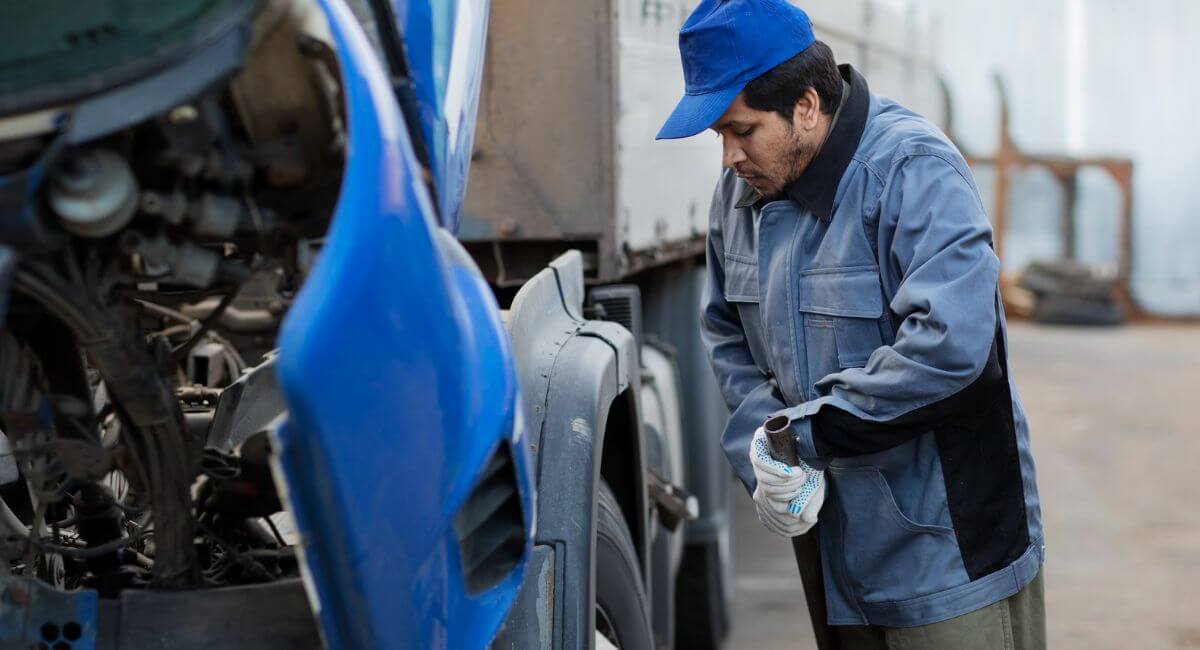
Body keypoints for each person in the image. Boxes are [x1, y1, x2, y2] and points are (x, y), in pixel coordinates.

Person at [656, 1, 1046, 647]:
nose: (728, 156)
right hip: (834, 551)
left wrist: (795, 439)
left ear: (806, 105)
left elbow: (953, 352)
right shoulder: (743, 193)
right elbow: (726, 332)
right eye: (719, 135)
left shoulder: (911, 169)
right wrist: (763, 450)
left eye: (742, 129)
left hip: (946, 549)